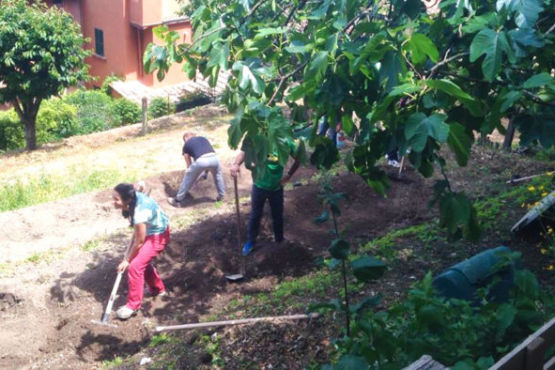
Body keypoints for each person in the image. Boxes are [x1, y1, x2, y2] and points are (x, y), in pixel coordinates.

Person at [230, 138, 301, 256]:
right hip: (259, 186)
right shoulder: (256, 136)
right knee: (255, 216)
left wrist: (288, 175)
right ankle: (250, 242)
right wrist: (236, 164)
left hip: (276, 188)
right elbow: (244, 152)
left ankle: (279, 240)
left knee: (277, 216)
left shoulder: (285, 140)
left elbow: (299, 157)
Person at [112, 183, 170, 320]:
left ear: (127, 200)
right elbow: (140, 185)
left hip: (158, 235)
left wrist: (127, 260)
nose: (113, 202)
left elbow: (139, 242)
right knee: (141, 262)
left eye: (116, 199)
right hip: (150, 231)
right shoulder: (133, 194)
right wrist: (141, 185)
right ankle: (157, 289)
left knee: (135, 266)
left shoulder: (139, 213)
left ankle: (133, 305)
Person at [168, 132, 225, 207]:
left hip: (201, 161)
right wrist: (205, 173)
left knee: (188, 179)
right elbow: (207, 154)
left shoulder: (186, 145)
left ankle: (177, 199)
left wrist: (190, 170)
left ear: (186, 138)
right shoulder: (203, 138)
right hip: (215, 158)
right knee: (218, 177)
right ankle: (221, 196)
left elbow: (188, 160)